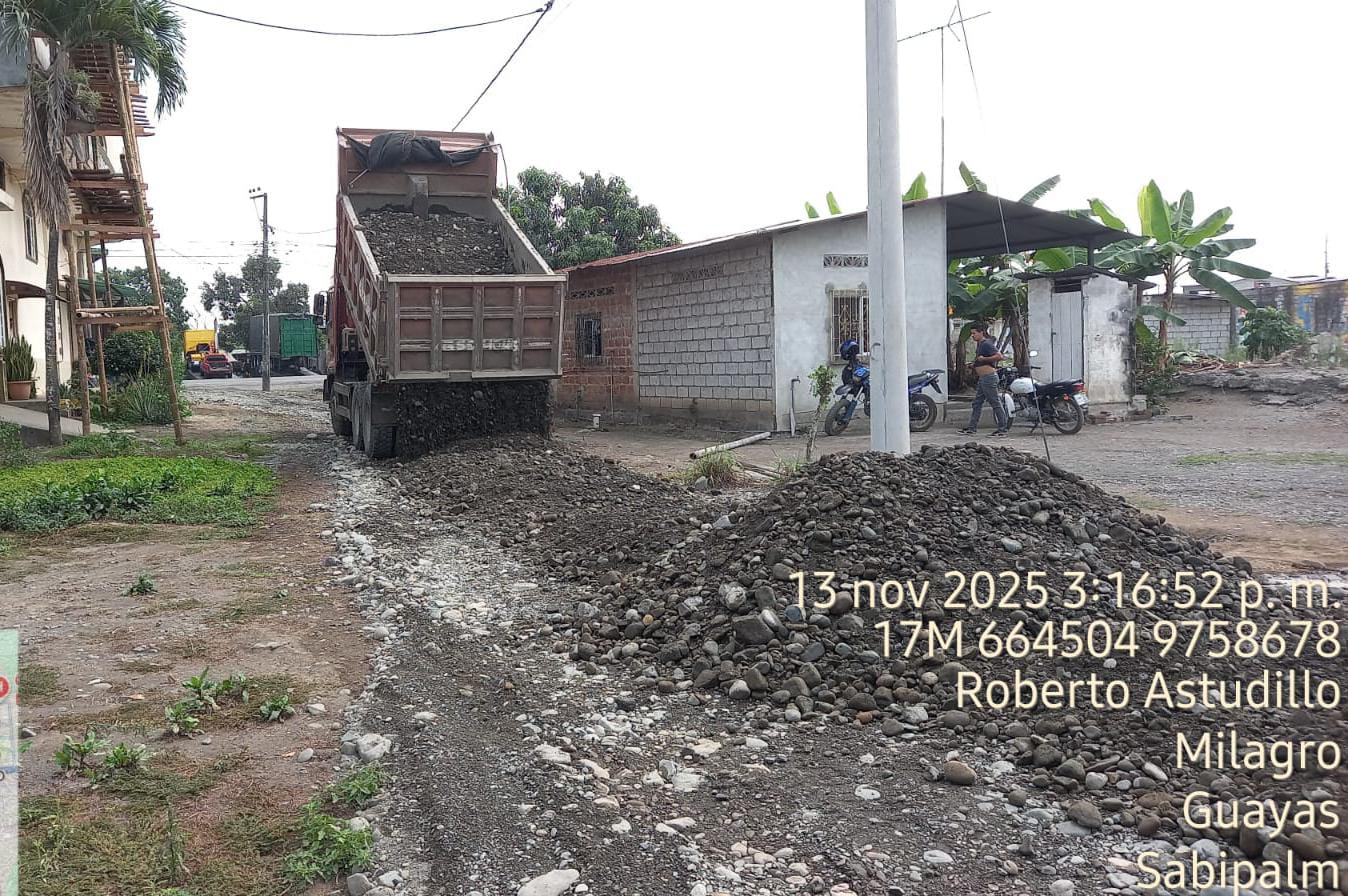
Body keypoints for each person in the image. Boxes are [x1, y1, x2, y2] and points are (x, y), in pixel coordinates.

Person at [959, 322, 1009, 436]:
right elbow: (981, 360)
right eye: (972, 334)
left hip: (989, 377)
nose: (972, 336)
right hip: (983, 378)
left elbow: (999, 356)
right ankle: (972, 428)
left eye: (974, 333)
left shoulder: (986, 343)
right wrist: (974, 364)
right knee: (977, 403)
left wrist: (984, 359)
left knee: (995, 402)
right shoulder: (980, 345)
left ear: (981, 332)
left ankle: (1003, 428)